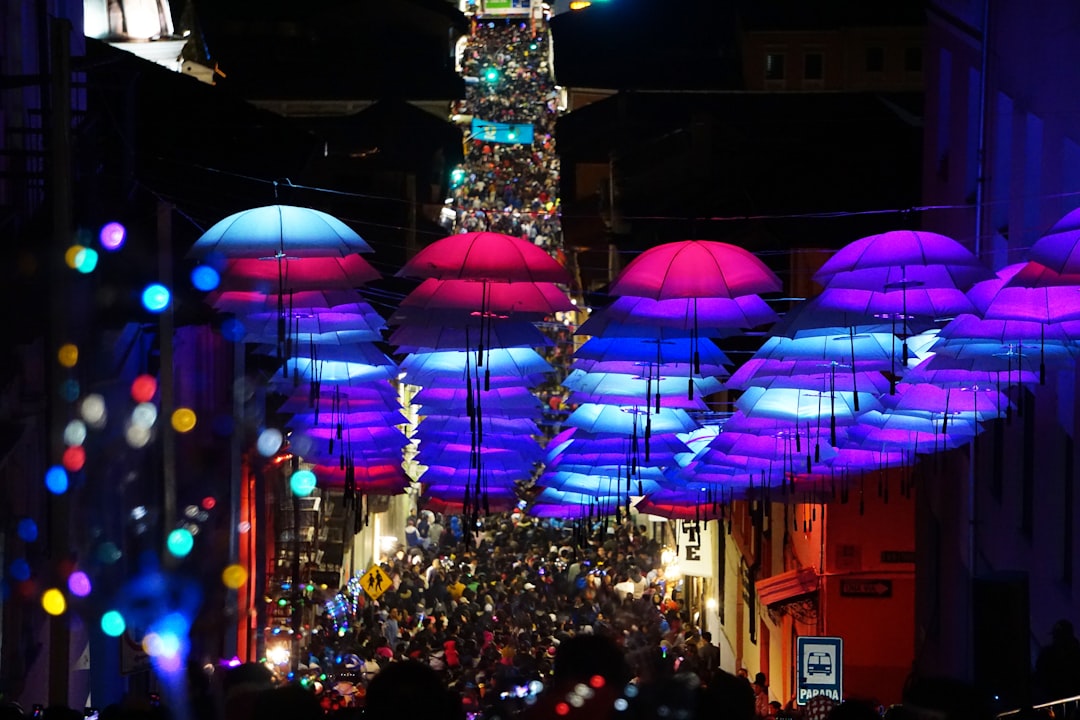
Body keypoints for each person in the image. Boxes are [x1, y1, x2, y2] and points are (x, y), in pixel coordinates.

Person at [1034, 618, 1080, 701]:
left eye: (1058, 636)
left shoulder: (1047, 654)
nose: (1056, 639)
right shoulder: (1047, 654)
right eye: (1056, 636)